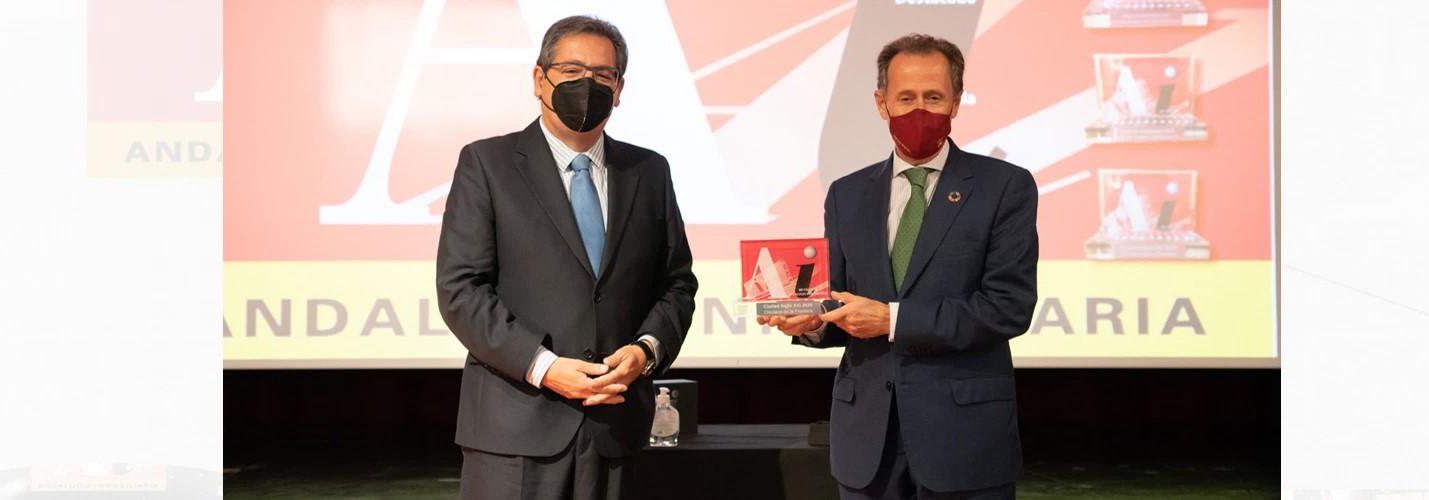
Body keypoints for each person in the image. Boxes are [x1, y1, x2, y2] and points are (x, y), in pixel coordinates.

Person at [761, 33, 1039, 500]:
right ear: (881, 103)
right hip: (868, 441)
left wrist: (893, 320)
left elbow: (1008, 307)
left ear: (956, 101)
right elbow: (838, 297)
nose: (919, 110)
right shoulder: (847, 194)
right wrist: (811, 322)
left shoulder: (1004, 187)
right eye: (905, 98)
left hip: (964, 438)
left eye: (934, 97)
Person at [434, 15, 698, 500]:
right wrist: (543, 365)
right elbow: (462, 290)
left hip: (618, 429)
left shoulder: (649, 171)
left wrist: (644, 352)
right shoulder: (487, 164)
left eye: (602, 75)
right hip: (515, 431)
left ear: (619, 89)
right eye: (572, 71)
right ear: (540, 79)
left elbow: (677, 284)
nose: (587, 85)